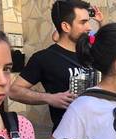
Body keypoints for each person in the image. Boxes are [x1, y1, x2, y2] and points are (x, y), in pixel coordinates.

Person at [9, 0, 102, 131]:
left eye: (88, 21)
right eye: (83, 22)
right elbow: (14, 91)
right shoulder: (44, 58)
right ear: (66, 27)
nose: (89, 27)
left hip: (100, 133)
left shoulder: (91, 53)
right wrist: (49, 98)